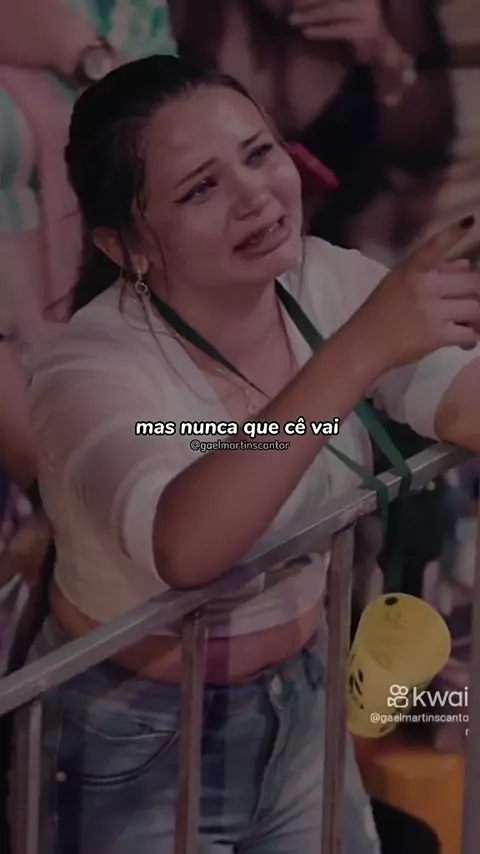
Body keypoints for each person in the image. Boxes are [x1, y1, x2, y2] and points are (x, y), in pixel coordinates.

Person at [26, 55, 480, 854]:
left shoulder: (323, 280)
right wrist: (359, 351)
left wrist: (382, 342)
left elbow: (461, 400)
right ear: (123, 244)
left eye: (259, 153)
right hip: (136, 738)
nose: (255, 196)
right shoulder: (87, 368)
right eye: (200, 189)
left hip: (300, 697)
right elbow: (189, 543)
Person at [169, 0, 455, 255]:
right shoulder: (175, 15)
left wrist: (384, 56)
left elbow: (426, 152)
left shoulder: (395, 11)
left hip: (361, 252)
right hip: (220, 258)